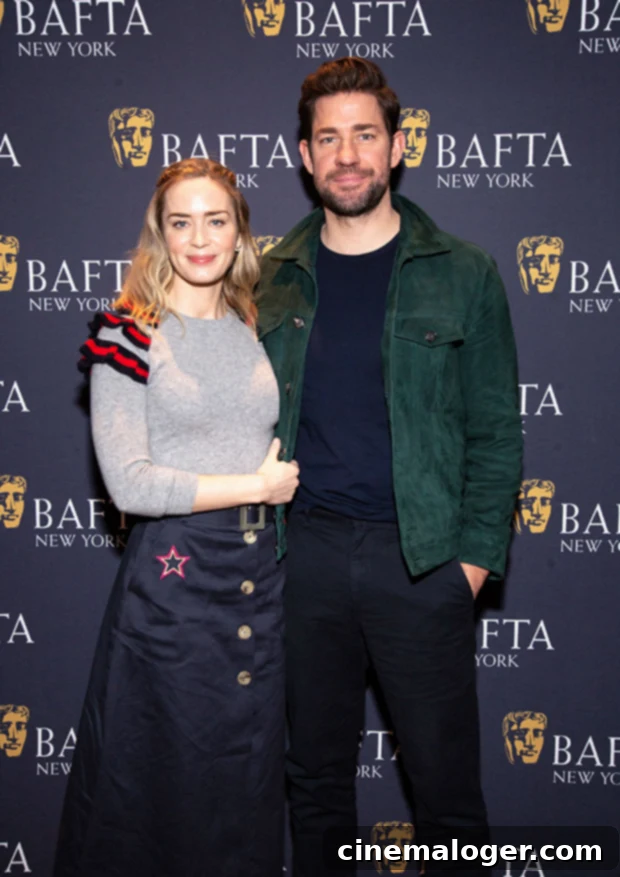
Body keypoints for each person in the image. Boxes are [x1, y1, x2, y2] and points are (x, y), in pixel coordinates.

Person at [257, 58, 523, 875]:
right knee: (315, 780)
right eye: (328, 138)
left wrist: (470, 566)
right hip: (305, 555)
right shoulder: (268, 279)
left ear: (397, 146)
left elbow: (496, 433)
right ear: (304, 156)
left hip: (423, 559)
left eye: (364, 135)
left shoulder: (464, 271)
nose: (347, 155)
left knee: (447, 792)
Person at [54, 158, 299, 877]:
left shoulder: (253, 321)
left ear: (240, 232)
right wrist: (254, 482)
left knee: (246, 780)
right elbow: (128, 483)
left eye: (216, 220)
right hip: (174, 587)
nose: (200, 238)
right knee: (158, 784)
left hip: (262, 582)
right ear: (158, 233)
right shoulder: (127, 331)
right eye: (181, 221)